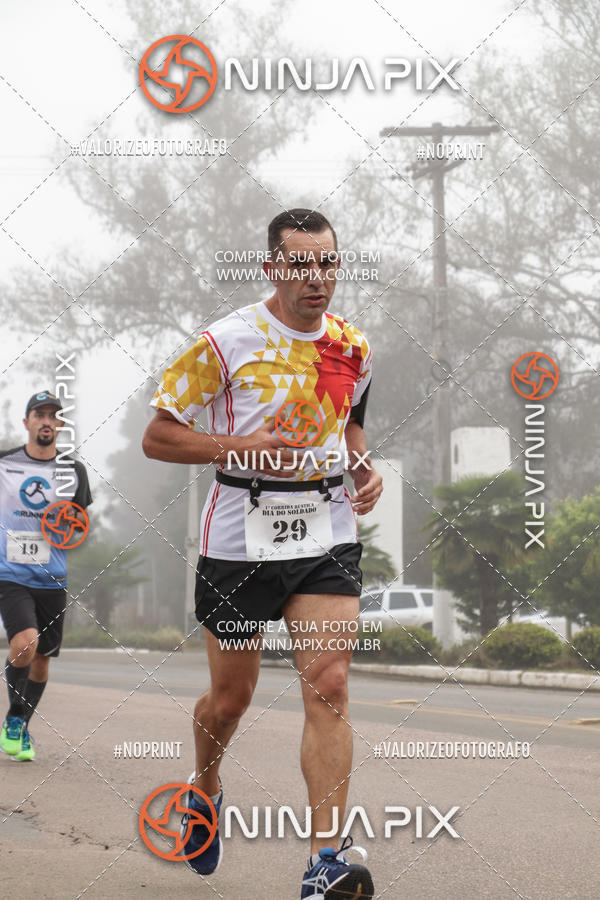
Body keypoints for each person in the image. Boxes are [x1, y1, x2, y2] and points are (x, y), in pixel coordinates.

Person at [143, 209, 382, 898]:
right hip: (239, 535)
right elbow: (158, 437)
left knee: (330, 685)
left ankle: (324, 861)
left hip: (325, 528)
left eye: (327, 264)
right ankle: (206, 788)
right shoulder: (226, 342)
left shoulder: (353, 346)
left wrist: (364, 467)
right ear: (273, 268)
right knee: (230, 698)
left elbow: (350, 424)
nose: (317, 278)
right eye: (301, 265)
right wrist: (240, 447)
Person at [0, 391, 92, 761]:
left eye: (54, 415)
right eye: (39, 414)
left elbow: (78, 523)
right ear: (27, 422)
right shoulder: (4, 464)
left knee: (42, 659)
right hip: (10, 572)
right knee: (25, 642)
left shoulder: (73, 472)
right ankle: (13, 723)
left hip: (52, 576)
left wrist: (66, 529)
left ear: (61, 425)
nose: (46, 421)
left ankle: (19, 723)